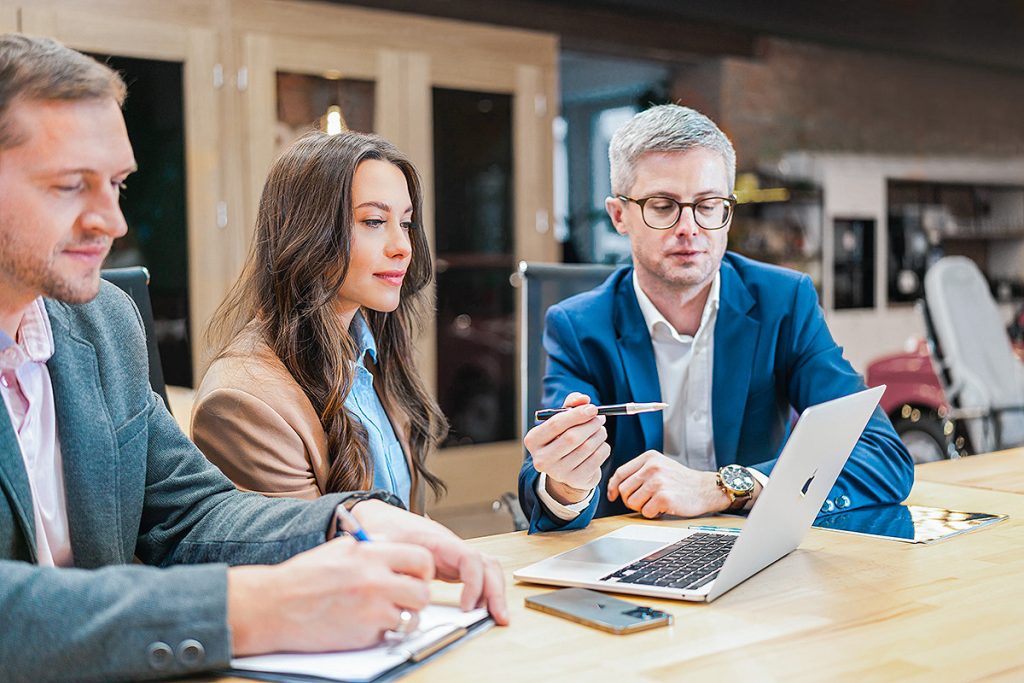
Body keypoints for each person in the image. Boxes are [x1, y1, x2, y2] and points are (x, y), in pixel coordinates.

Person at [0, 33, 506, 682]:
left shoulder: (103, 321)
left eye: (118, 185)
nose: (114, 222)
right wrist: (248, 606)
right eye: (72, 184)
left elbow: (189, 512)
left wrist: (349, 518)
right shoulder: (240, 379)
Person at [519, 104, 913, 533]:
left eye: (708, 205)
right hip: (629, 553)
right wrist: (567, 485)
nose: (689, 227)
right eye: (663, 206)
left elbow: (881, 454)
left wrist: (725, 487)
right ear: (619, 215)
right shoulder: (578, 326)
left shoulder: (784, 302)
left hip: (755, 551)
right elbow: (544, 492)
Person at [191, 131, 444, 514]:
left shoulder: (371, 353)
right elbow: (314, 546)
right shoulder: (241, 403)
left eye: (406, 223)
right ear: (306, 231)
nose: (402, 247)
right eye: (374, 221)